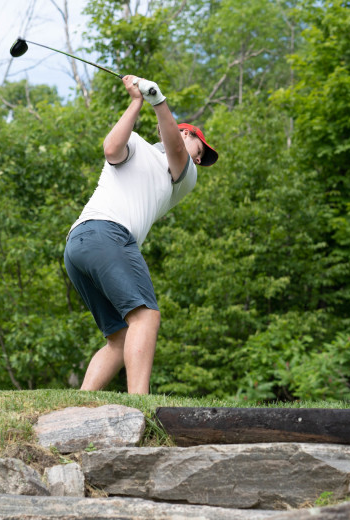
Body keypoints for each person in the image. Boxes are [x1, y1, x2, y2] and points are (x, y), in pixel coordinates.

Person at [63, 75, 218, 394]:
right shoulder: (138, 145)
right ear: (184, 132)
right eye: (198, 147)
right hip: (104, 235)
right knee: (145, 317)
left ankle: (78, 402)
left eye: (200, 156)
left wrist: (158, 100)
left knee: (119, 338)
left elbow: (176, 148)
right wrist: (137, 102)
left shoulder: (185, 175)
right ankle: (139, 402)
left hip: (80, 245)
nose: (199, 158)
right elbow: (111, 147)